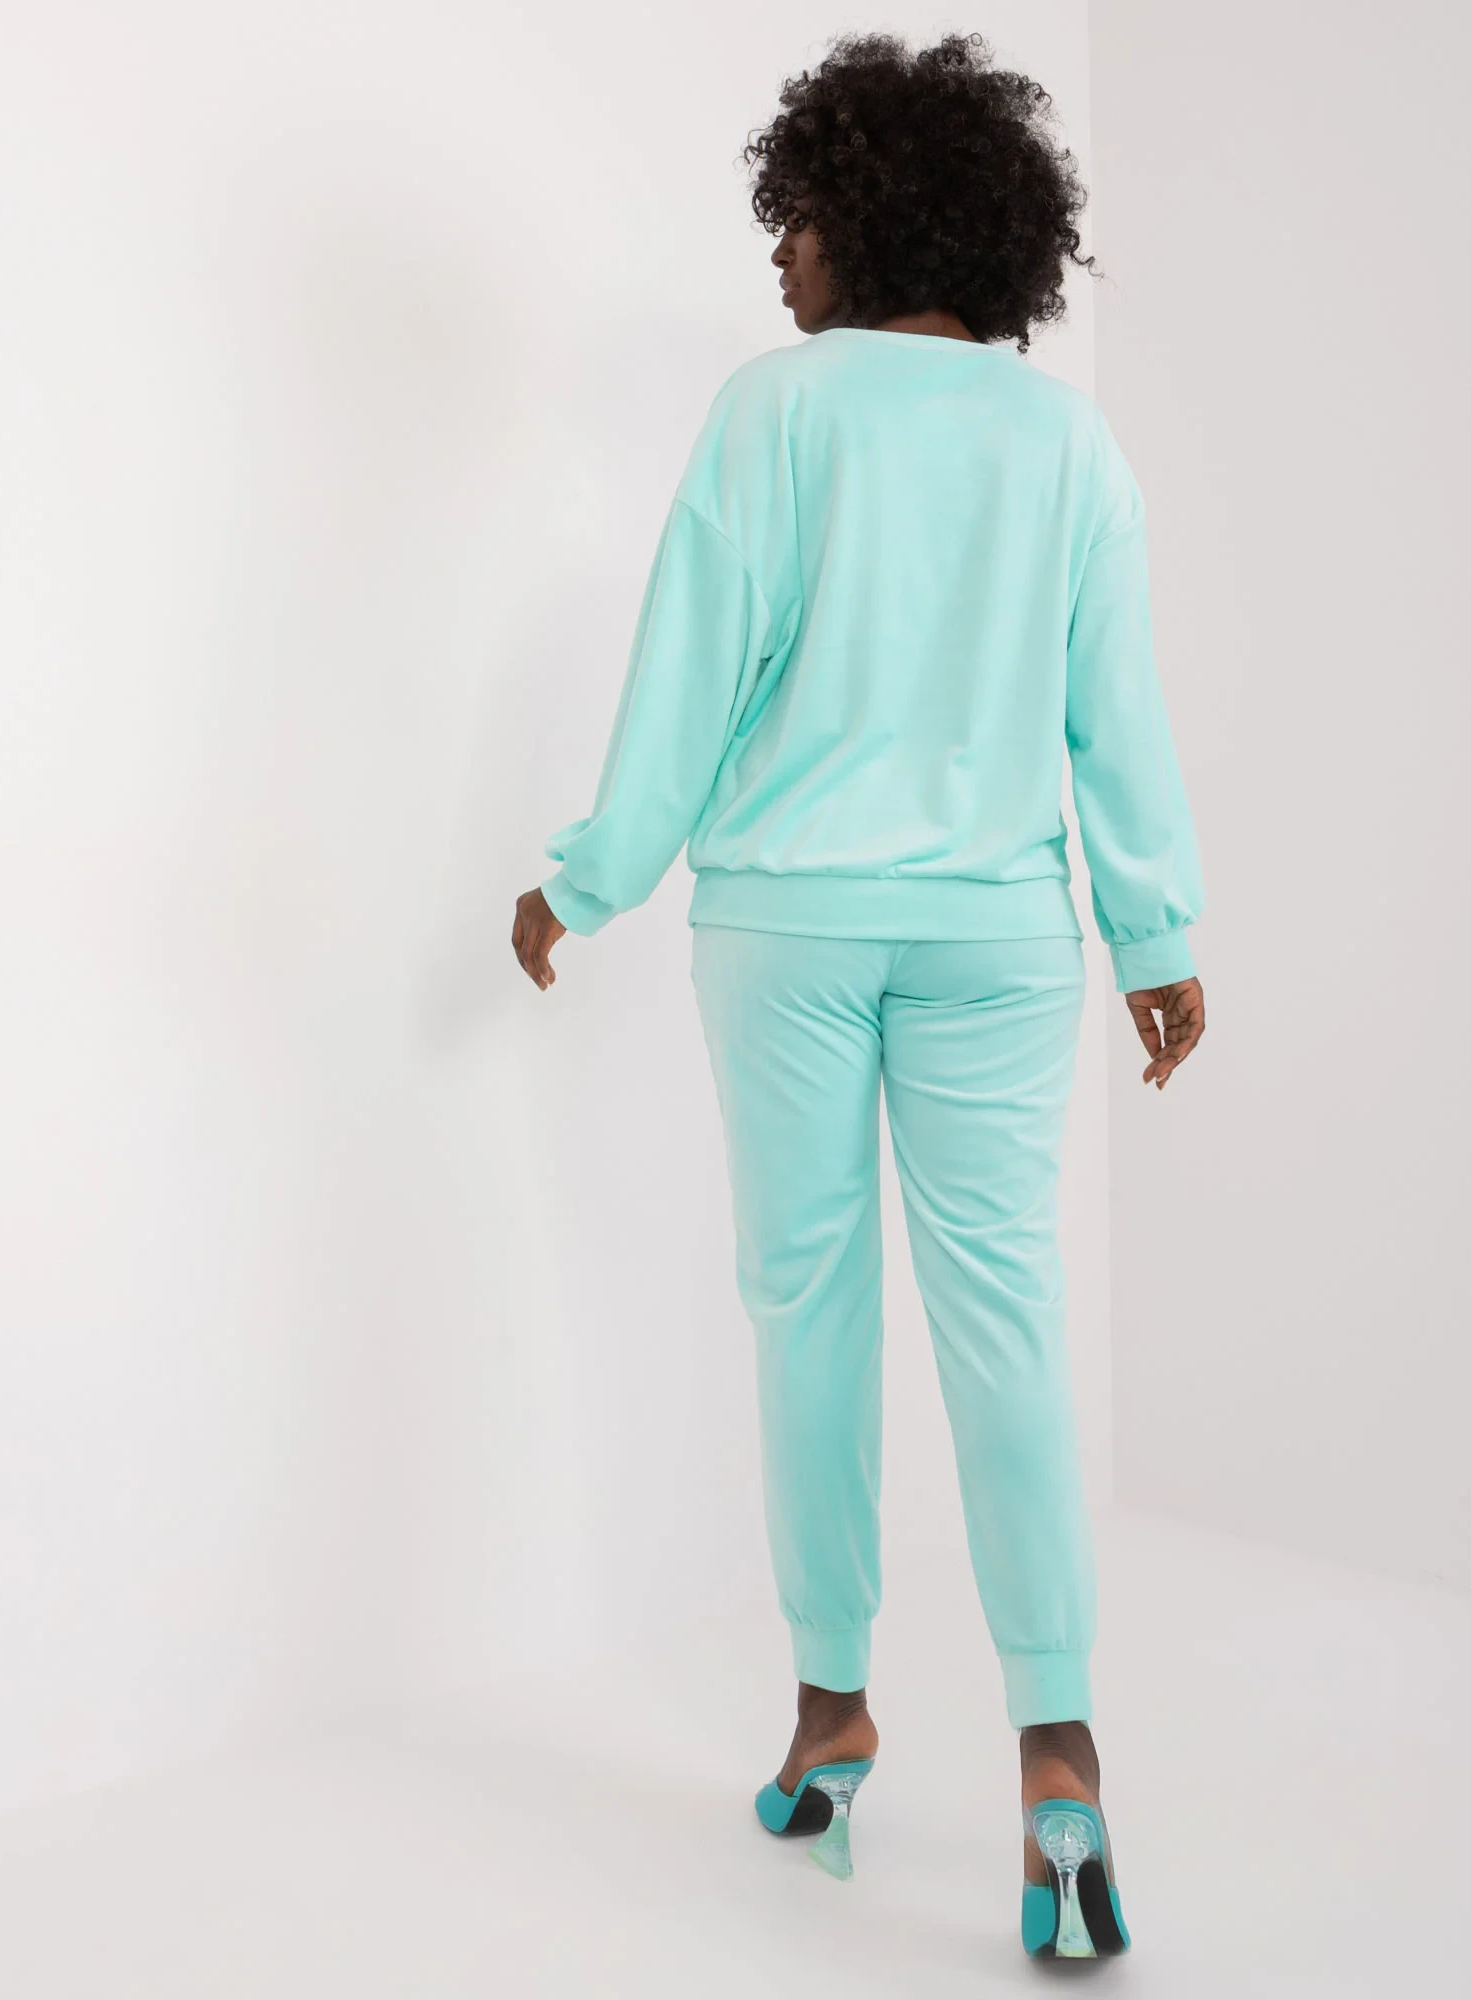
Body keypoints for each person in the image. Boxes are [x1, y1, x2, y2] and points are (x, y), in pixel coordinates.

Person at [511, 28, 1205, 1959]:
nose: (780, 252)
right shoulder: (1067, 445)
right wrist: (1157, 937)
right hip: (1000, 937)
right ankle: (1060, 1757)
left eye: (799, 214)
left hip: (791, 931)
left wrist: (586, 878)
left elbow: (689, 678)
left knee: (805, 1304)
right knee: (1009, 1318)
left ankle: (832, 1714)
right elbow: (1116, 719)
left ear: (876, 214)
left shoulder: (774, 414)